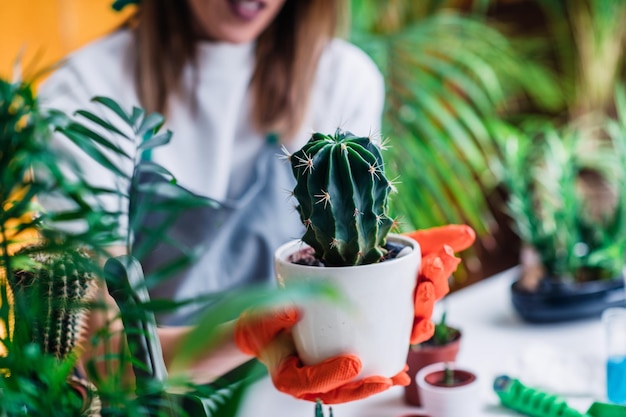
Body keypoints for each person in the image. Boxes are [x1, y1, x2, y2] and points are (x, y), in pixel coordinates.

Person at [38, 0, 475, 404]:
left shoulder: (342, 80)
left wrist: (386, 287)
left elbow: (342, 277)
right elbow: (106, 357)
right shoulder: (85, 91)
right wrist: (249, 339)